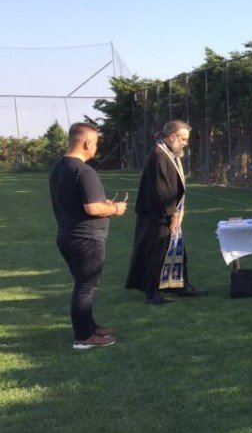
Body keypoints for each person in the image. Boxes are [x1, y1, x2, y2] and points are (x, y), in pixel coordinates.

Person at [49, 122, 128, 349]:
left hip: (67, 236)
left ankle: (89, 326)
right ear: (86, 143)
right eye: (96, 143)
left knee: (83, 284)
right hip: (85, 239)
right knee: (86, 287)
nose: (96, 147)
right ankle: (83, 337)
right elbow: (92, 208)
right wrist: (116, 209)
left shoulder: (58, 168)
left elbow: (77, 201)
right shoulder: (84, 171)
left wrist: (104, 204)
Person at [127, 120, 206, 304]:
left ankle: (180, 285)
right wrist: (173, 214)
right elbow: (161, 189)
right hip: (158, 215)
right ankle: (152, 292)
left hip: (168, 213)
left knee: (177, 251)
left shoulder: (168, 153)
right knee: (157, 252)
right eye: (183, 139)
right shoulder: (159, 156)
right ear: (172, 137)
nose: (185, 143)